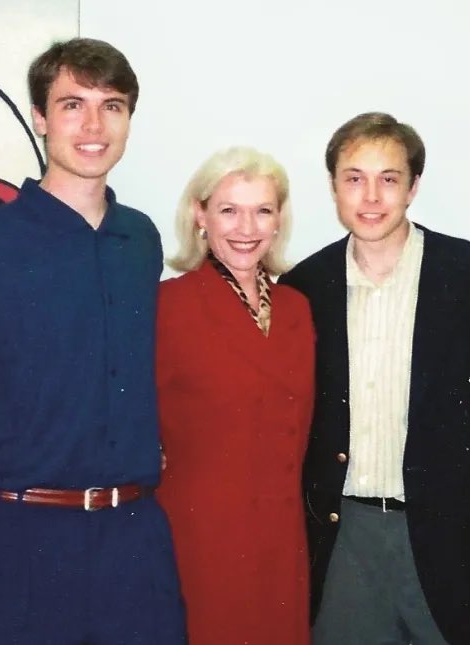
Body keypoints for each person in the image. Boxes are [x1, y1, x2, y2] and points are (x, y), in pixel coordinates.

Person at [0, 38, 186, 645]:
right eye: (72, 105)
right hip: (18, 548)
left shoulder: (139, 240)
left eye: (111, 106)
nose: (93, 126)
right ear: (40, 117)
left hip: (133, 544)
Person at [278, 112, 470, 645]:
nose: (371, 196)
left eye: (389, 178)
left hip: (457, 546)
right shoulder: (302, 289)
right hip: (345, 547)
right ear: (333, 186)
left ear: (413, 186)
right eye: (354, 178)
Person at [156, 146, 315, 644]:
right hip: (203, 538)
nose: (247, 228)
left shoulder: (296, 308)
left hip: (283, 537)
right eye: (229, 210)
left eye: (262, 210)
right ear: (200, 215)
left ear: (279, 220)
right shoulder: (170, 305)